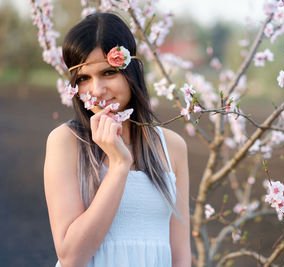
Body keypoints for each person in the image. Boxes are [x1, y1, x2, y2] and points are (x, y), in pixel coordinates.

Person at [43, 13, 191, 267]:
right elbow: (71, 256)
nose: (97, 90)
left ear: (132, 71)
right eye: (83, 79)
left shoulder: (172, 147)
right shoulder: (65, 142)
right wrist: (119, 165)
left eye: (109, 73)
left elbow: (180, 255)